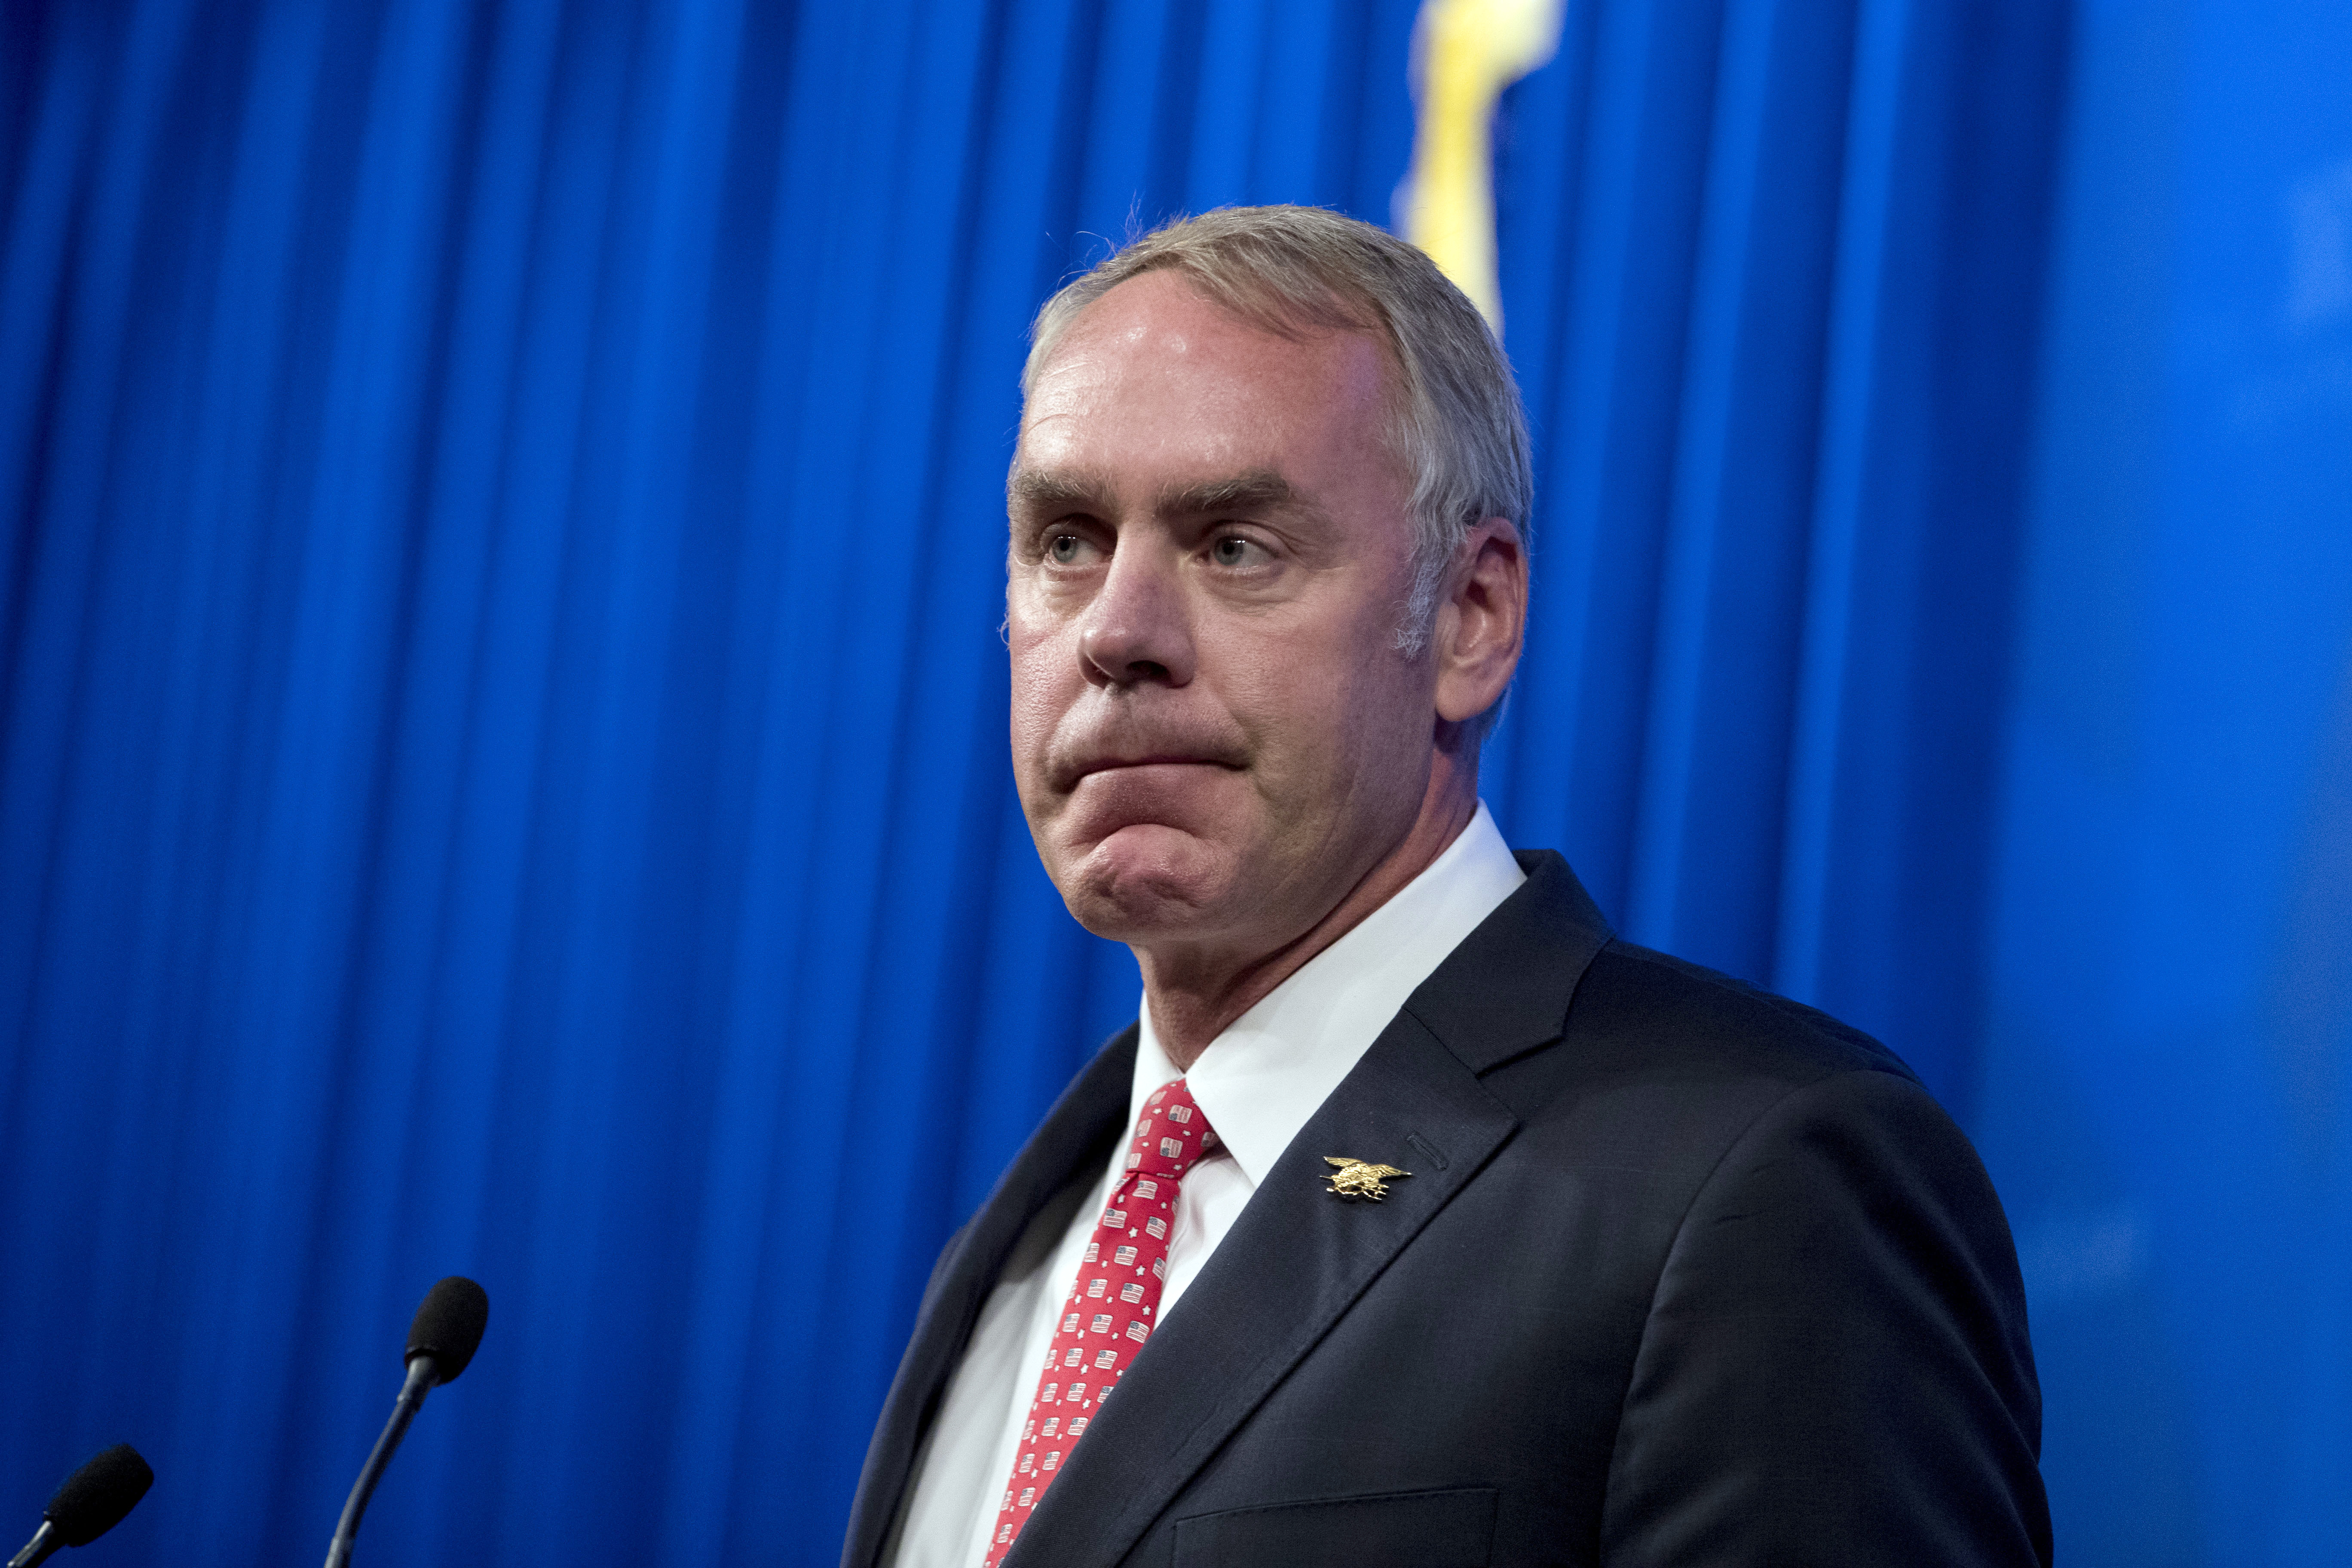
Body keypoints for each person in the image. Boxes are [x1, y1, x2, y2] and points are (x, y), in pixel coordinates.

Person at [840, 205, 2050, 1568]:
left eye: (1236, 545)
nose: (1117, 632)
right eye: (1065, 540)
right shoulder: (1020, 1248)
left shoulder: (1755, 1187)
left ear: (1471, 618)